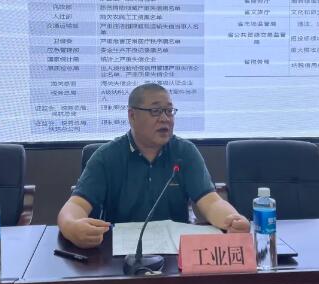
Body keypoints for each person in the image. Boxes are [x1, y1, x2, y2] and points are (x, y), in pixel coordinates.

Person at [57, 83, 250, 248]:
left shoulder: (185, 152)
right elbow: (75, 205)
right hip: (120, 256)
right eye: (155, 111)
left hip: (175, 254)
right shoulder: (107, 156)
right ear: (132, 115)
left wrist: (232, 220)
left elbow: (211, 202)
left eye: (169, 111)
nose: (165, 118)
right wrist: (71, 226)